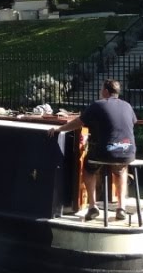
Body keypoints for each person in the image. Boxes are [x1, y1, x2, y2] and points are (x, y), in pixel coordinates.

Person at [48, 79, 137, 221]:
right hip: (128, 150)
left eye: (101, 89)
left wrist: (59, 129)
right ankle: (121, 207)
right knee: (120, 170)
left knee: (89, 168)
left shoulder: (98, 105)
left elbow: (79, 122)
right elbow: (131, 122)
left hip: (107, 151)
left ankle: (92, 206)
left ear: (106, 91)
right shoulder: (127, 106)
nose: (100, 92)